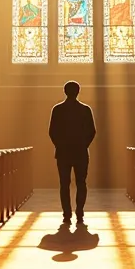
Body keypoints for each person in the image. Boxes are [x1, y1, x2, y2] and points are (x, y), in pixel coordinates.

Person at [48, 81, 96, 224]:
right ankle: (79, 212)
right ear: (78, 91)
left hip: (63, 153)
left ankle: (67, 214)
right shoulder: (85, 109)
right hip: (80, 152)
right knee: (81, 182)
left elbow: (52, 131)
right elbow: (92, 131)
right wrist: (83, 145)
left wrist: (60, 145)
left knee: (64, 184)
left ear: (65, 91)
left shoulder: (58, 109)